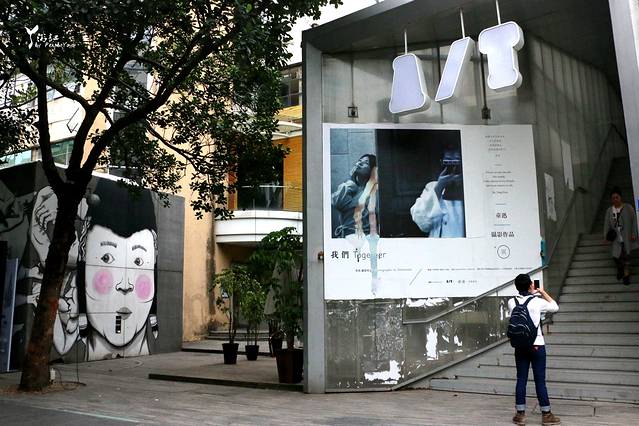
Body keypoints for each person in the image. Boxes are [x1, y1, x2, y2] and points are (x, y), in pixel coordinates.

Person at [508, 274, 560, 426]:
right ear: (531, 285)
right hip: (537, 345)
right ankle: (546, 415)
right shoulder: (537, 302)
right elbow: (555, 307)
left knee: (521, 379)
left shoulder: (511, 302)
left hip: (520, 346)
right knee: (540, 381)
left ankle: (520, 415)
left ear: (516, 286)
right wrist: (541, 292)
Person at [410, 147, 464, 237]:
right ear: (441, 162)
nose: (453, 167)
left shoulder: (472, 188)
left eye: (457, 162)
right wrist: (439, 187)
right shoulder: (432, 187)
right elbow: (421, 223)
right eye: (448, 162)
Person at [331, 154, 378, 240]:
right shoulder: (350, 187)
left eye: (366, 163)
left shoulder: (374, 191)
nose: (359, 163)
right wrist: (351, 179)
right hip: (344, 238)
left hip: (363, 238)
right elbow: (338, 203)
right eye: (359, 161)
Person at [603, 187, 638, 285]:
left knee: (627, 256)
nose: (615, 199)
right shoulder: (609, 210)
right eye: (613, 198)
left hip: (626, 237)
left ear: (620, 197)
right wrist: (606, 237)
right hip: (616, 238)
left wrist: (634, 234)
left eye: (616, 197)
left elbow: (634, 221)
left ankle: (626, 275)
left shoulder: (628, 207)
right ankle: (620, 270)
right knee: (616, 256)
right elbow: (606, 224)